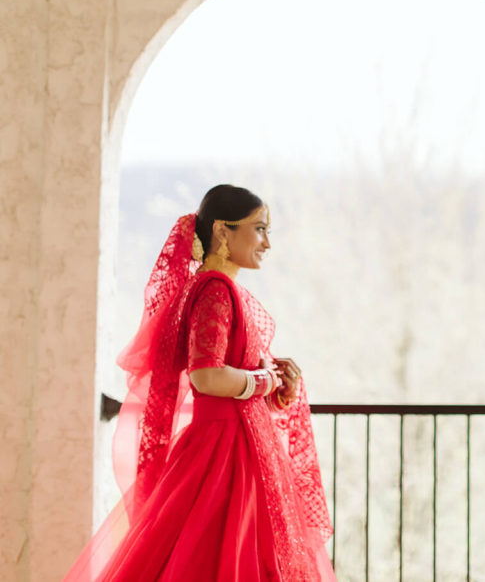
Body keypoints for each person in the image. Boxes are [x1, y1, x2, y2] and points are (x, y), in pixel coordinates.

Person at [65, 184, 335, 581]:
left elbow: (231, 376)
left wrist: (276, 387)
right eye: (259, 229)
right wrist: (263, 380)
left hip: (238, 445)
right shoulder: (214, 290)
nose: (267, 243)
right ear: (223, 232)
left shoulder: (220, 289)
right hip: (224, 454)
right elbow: (206, 376)